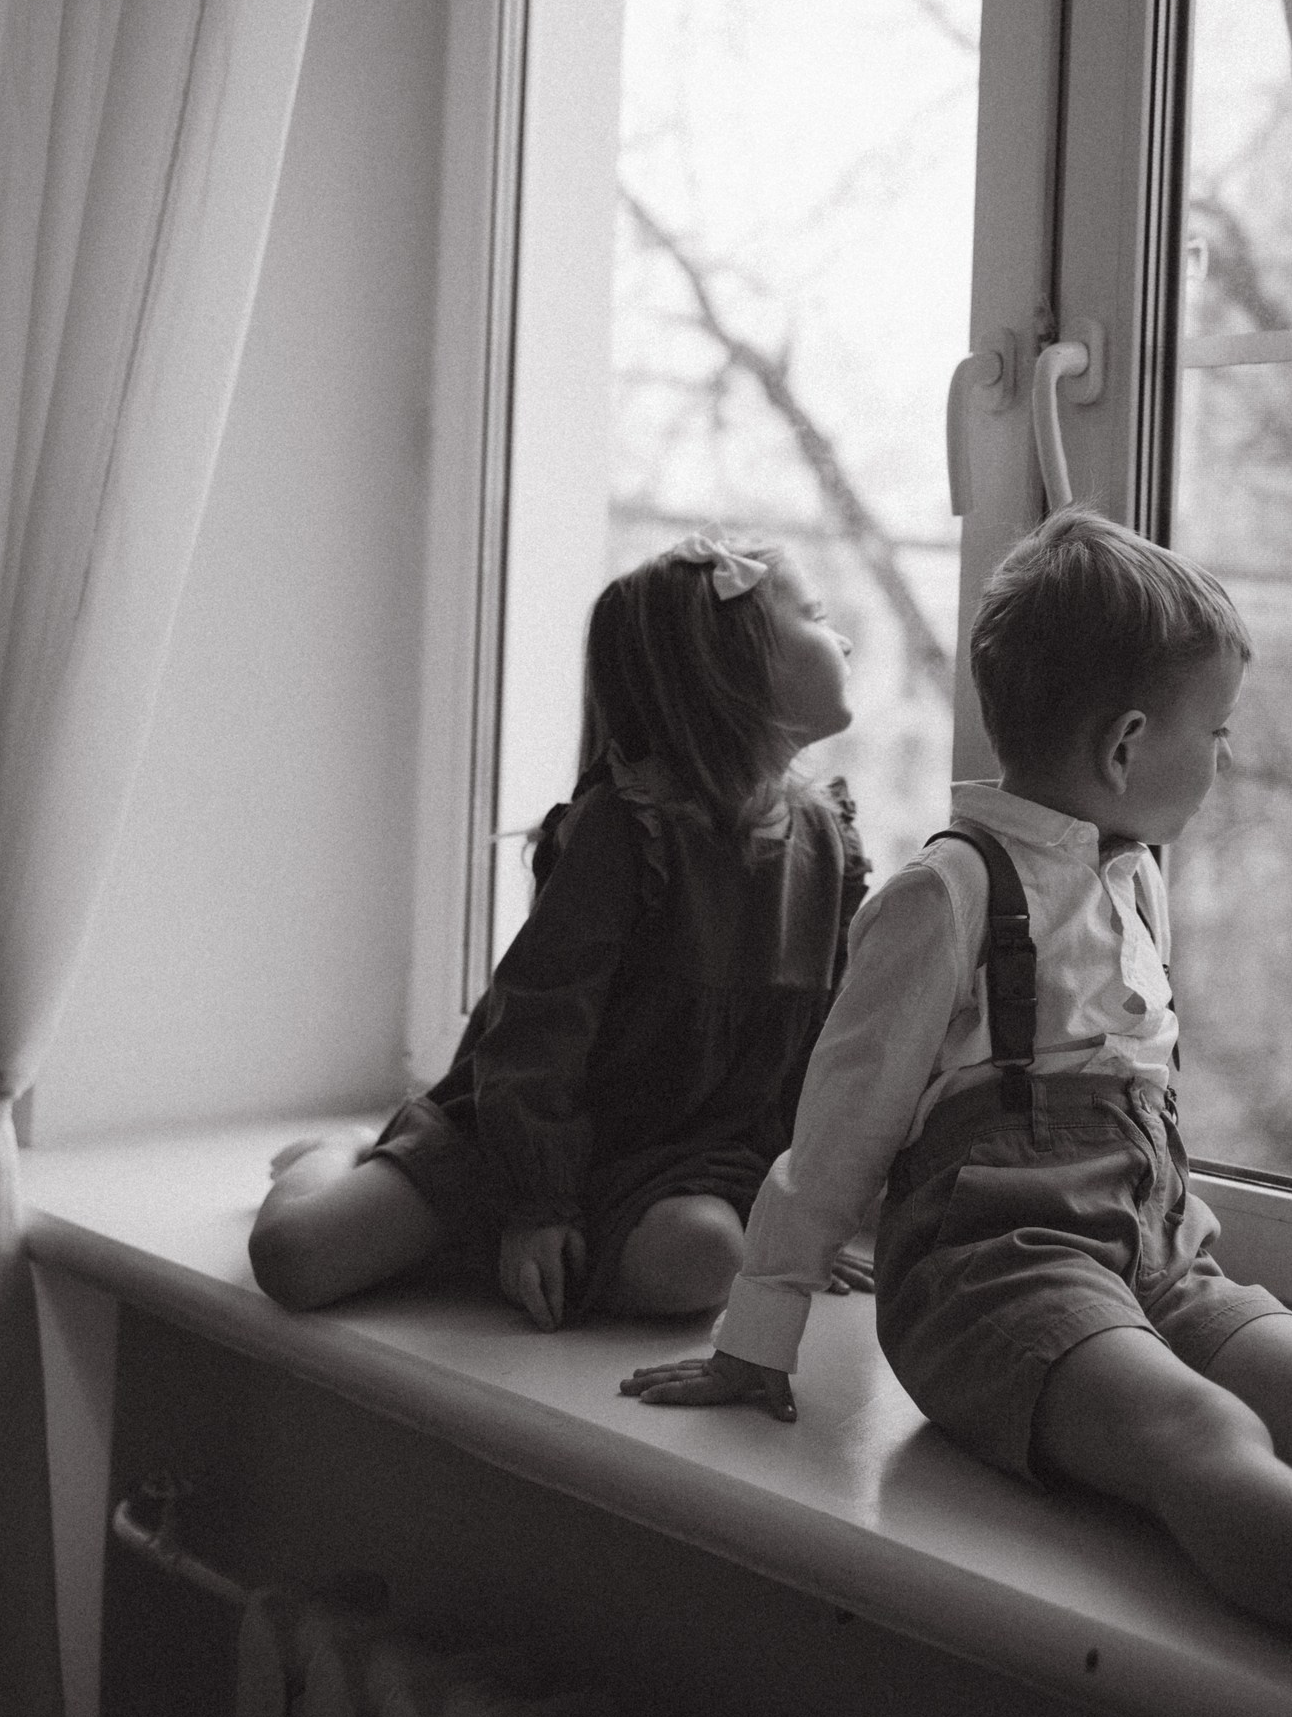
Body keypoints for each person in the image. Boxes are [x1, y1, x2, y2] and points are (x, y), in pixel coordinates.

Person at [624, 506, 1292, 1717]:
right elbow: (838, 1126)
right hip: (997, 1279)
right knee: (1198, 1434)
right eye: (1216, 731)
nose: (1226, 758)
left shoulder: (1133, 873)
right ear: (1126, 745)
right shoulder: (948, 892)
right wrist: (761, 1329)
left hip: (1153, 1256)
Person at [251, 528, 870, 1331]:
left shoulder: (830, 844)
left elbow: (825, 1052)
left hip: (680, 1167)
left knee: (704, 1257)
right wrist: (536, 1202)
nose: (840, 638)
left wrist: (800, 1214)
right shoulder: (625, 830)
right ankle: (345, 1155)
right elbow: (537, 1028)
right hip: (517, 1143)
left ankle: (482, 1256)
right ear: (732, 664)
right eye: (815, 616)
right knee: (295, 1257)